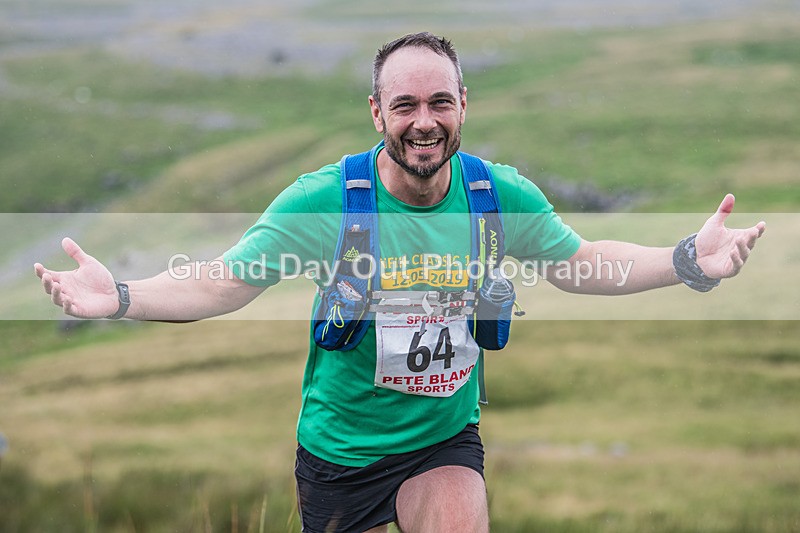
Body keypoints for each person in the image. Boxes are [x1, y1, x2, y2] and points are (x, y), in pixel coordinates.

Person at [35, 32, 765, 533]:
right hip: (340, 453)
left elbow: (581, 263)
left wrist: (684, 260)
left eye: (439, 103)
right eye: (406, 106)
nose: (425, 122)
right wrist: (121, 296)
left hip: (442, 440)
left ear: (463, 106)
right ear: (378, 112)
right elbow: (223, 281)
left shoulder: (494, 196)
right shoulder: (325, 201)